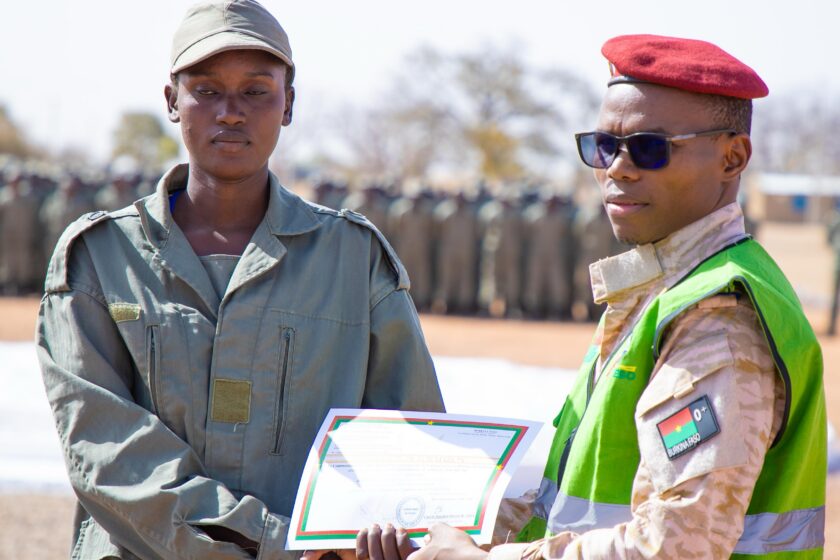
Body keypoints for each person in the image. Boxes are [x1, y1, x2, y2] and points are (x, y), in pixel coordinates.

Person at [357, 34, 826, 559]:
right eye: (603, 146)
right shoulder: (661, 291)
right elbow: (567, 506)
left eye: (651, 148)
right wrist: (453, 538)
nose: (618, 168)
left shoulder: (716, 316)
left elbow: (672, 548)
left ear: (731, 158)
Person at [36, 1, 444, 558]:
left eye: (256, 91)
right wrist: (274, 544)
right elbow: (109, 453)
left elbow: (411, 439)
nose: (231, 112)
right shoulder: (102, 258)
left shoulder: (354, 260)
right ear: (172, 102)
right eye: (206, 90)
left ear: (289, 104)